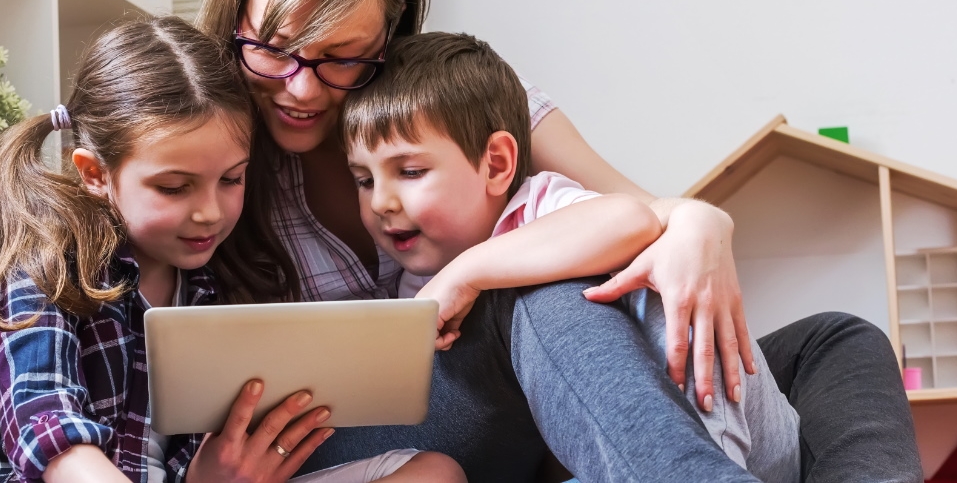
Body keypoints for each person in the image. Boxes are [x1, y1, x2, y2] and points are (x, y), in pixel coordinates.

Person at [195, 0, 922, 482]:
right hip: (353, 431)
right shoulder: (206, 151)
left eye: (341, 56)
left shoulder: (461, 110)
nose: (300, 86)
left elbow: (643, 213)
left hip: (547, 398)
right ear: (236, 20)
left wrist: (703, 221)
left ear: (390, 37)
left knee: (835, 340)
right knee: (539, 285)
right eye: (274, 48)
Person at [0, 17, 465, 483]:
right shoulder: (46, 265)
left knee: (434, 473)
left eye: (231, 179)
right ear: (95, 174)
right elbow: (53, 439)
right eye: (174, 187)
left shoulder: (211, 283)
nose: (209, 211)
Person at [342, 31, 803, 483]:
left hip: (716, 427)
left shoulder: (538, 206)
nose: (381, 201)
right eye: (364, 180)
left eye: (411, 172)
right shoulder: (413, 276)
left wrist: (467, 272)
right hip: (613, 448)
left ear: (496, 164)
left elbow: (630, 219)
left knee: (586, 285)